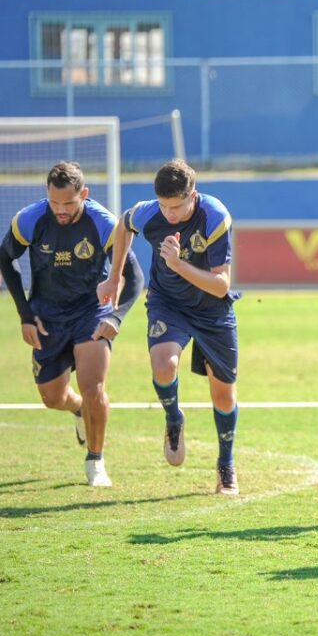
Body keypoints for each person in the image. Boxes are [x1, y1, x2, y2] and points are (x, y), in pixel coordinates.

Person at [97, 159, 241, 496]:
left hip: (212, 310)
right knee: (164, 366)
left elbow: (221, 285)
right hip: (168, 304)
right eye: (164, 206)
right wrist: (114, 275)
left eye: (176, 206)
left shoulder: (215, 216)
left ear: (193, 193)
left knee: (223, 393)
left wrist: (176, 264)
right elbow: (123, 225)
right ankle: (173, 418)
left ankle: (225, 466)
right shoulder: (150, 213)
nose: (170, 214)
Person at [0, 162, 143, 486]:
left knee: (94, 387)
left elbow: (135, 277)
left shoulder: (104, 223)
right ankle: (77, 409)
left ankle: (96, 460)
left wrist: (115, 317)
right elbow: (5, 257)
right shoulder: (30, 219)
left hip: (90, 312)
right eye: (55, 203)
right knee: (52, 398)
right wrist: (24, 313)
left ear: (84, 195)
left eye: (69, 203)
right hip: (46, 316)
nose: (61, 210)